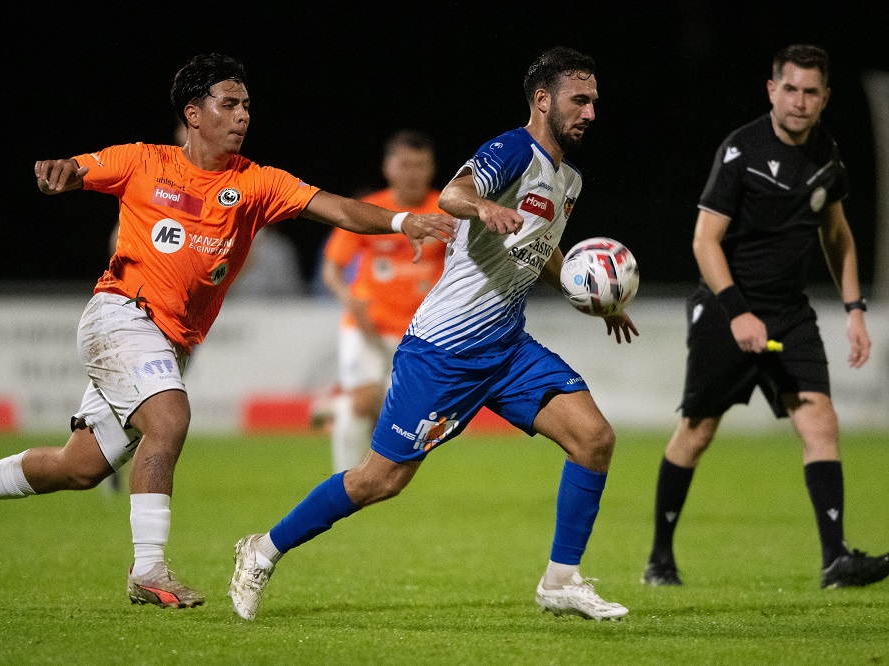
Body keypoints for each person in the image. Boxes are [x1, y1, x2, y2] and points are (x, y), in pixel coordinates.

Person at [0, 53, 455, 609]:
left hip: (172, 339)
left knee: (80, 467)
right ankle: (148, 568)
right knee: (170, 418)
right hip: (121, 313)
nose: (242, 115)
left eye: (246, 105)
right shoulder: (142, 161)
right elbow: (76, 168)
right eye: (229, 104)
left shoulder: (257, 182)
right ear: (194, 114)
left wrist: (402, 220)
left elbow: (339, 209)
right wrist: (57, 172)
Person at [229, 46, 638, 622]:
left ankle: (561, 580)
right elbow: (451, 194)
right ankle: (263, 550)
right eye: (580, 99)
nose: (591, 111)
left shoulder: (567, 179)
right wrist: (482, 209)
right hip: (444, 351)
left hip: (507, 348)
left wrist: (589, 291)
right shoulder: (512, 150)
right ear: (543, 100)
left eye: (594, 101)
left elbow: (541, 250)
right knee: (379, 481)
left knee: (593, 438)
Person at [641, 44, 889, 590]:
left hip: (789, 313)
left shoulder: (826, 154)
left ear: (825, 98)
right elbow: (705, 241)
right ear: (772, 90)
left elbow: (838, 235)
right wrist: (737, 314)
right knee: (696, 432)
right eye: (790, 89)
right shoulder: (742, 150)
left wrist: (854, 310)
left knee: (821, 423)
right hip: (725, 308)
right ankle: (659, 558)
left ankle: (835, 560)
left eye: (811, 92)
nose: (799, 101)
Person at [320, 129, 448, 471]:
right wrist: (350, 301)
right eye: (404, 165)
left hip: (419, 334)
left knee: (404, 414)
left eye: (420, 165)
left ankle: (338, 412)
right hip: (366, 326)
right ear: (388, 168)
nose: (412, 173)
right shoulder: (370, 210)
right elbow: (332, 269)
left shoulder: (446, 211)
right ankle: (344, 483)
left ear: (432, 168)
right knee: (362, 403)